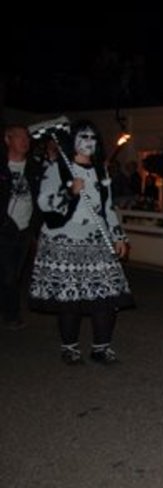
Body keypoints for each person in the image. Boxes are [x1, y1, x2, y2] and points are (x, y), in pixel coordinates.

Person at [28, 119, 134, 365]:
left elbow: (107, 208)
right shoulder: (57, 168)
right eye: (83, 137)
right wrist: (69, 192)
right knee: (70, 299)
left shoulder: (101, 171)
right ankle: (70, 347)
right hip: (64, 241)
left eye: (93, 137)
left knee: (108, 295)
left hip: (96, 240)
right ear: (72, 140)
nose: (89, 142)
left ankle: (101, 348)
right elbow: (44, 203)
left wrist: (119, 237)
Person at [0, 125, 41, 330]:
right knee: (8, 274)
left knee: (14, 274)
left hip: (25, 228)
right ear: (8, 140)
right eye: (19, 137)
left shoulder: (34, 167)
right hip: (5, 228)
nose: (25, 141)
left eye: (27, 137)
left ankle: (9, 308)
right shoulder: (3, 167)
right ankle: (11, 314)